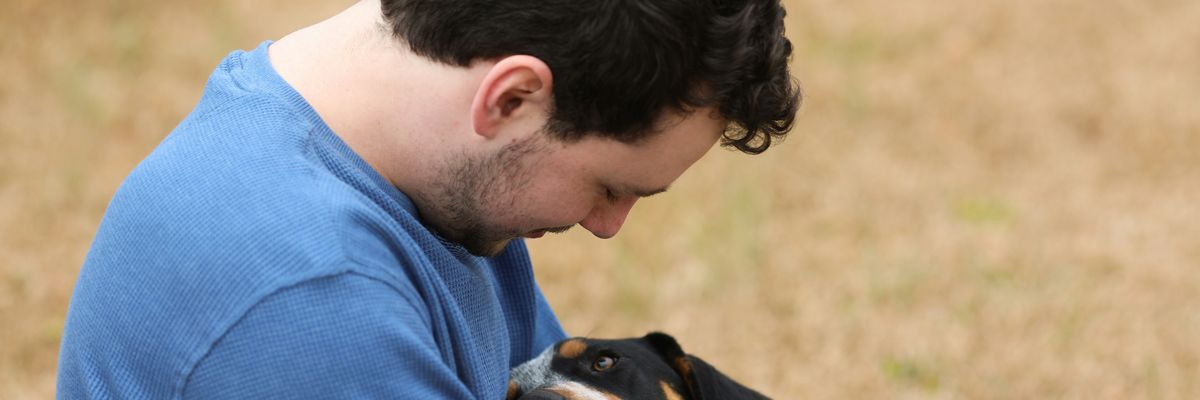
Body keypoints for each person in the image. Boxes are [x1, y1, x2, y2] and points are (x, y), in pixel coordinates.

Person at [56, 0, 799, 398]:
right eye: (609, 187)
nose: (607, 226)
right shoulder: (314, 301)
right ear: (510, 97)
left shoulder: (420, 175)